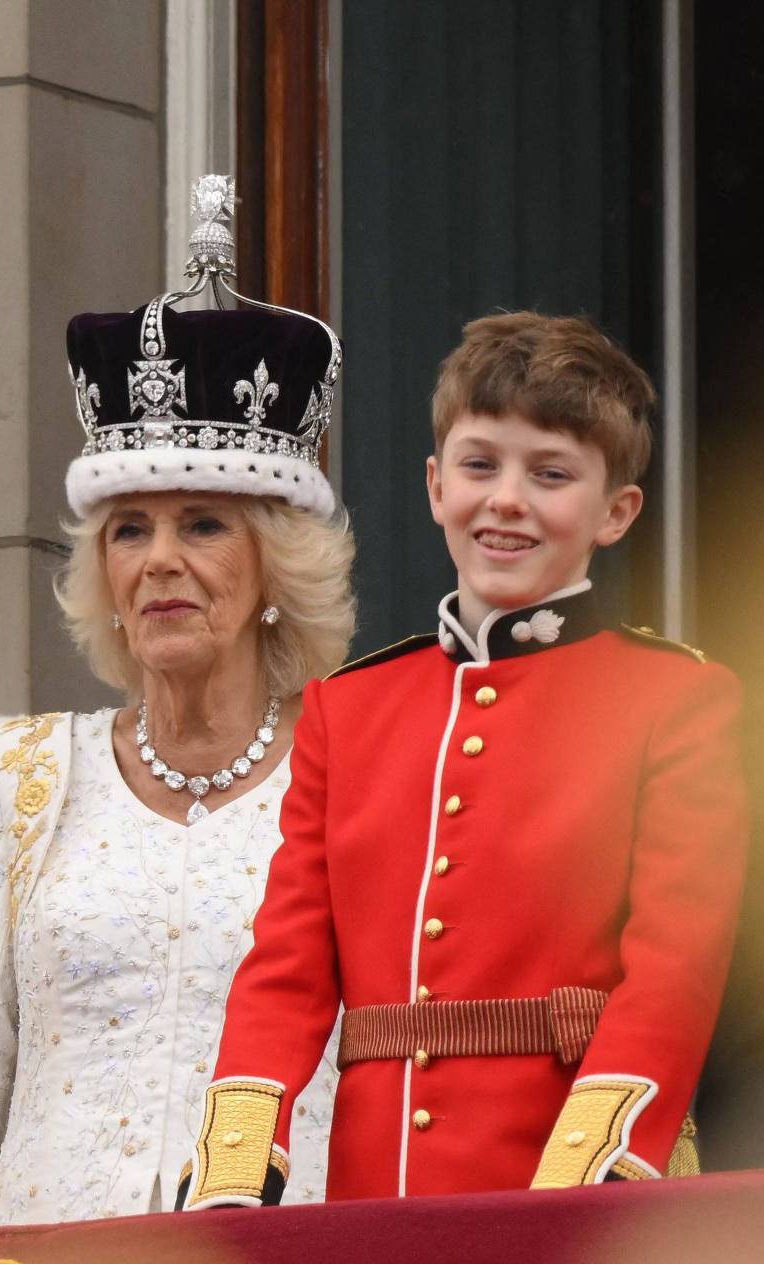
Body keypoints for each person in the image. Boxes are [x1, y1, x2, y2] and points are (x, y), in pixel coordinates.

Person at [183, 312, 743, 1206]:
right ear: (437, 486)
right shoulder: (348, 706)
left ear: (616, 512)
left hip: (577, 1208)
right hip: (374, 1204)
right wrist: (235, 1173)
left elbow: (672, 978)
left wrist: (580, 1182)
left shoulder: (678, 703)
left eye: (551, 474)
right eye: (481, 466)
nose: (507, 500)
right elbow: (285, 967)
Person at [0, 178, 350, 1229]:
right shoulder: (22, 774)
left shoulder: (354, 772)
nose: (160, 563)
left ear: (277, 564)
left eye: (203, 525)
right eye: (130, 529)